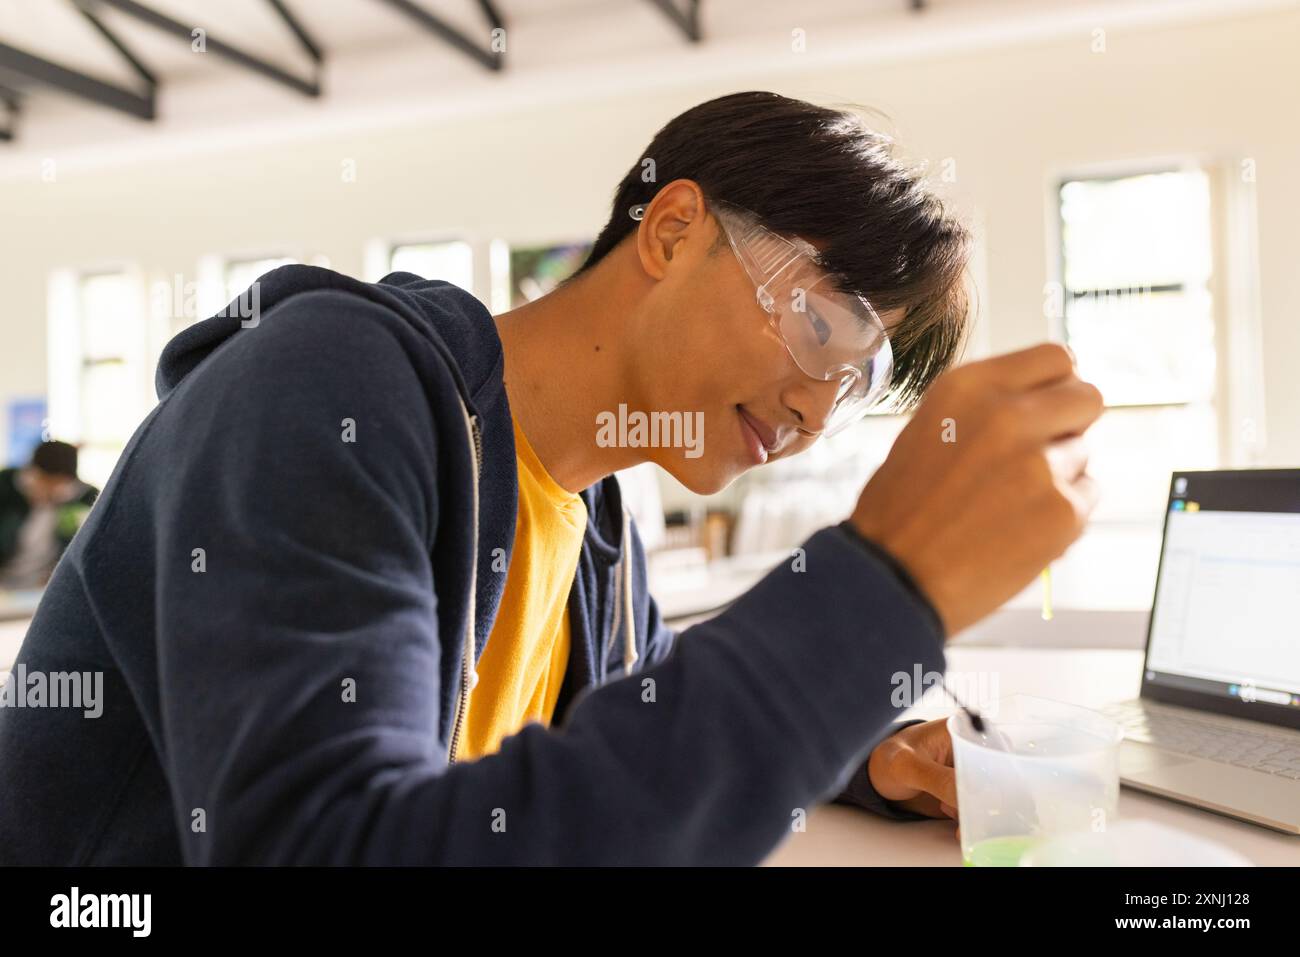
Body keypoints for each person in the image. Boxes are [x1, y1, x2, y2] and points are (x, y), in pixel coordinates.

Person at [0, 92, 1101, 864]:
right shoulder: (327, 387)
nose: (819, 407)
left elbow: (651, 700)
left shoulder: (594, 508)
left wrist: (873, 756)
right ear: (673, 229)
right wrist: (881, 592)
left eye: (854, 383)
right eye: (820, 324)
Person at [0, 440, 98, 591]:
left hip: (45, 587)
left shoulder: (84, 497)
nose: (53, 490)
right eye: (46, 482)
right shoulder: (6, 486)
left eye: (60, 484)